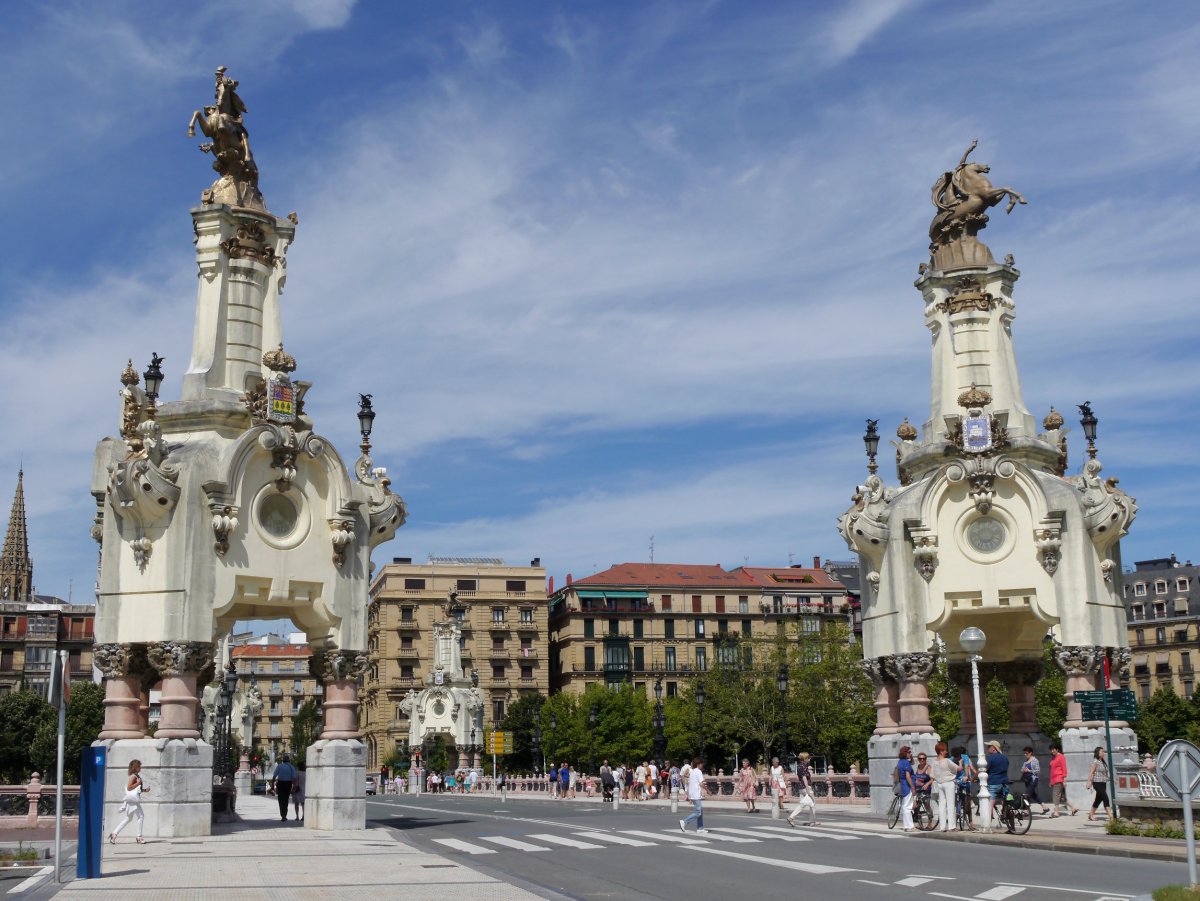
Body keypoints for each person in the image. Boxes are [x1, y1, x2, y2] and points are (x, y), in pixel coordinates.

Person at [109, 759, 149, 844]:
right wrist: (138, 783)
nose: (140, 767)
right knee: (141, 816)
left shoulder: (136, 776)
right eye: (139, 766)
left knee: (128, 819)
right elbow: (129, 788)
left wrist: (145, 790)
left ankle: (114, 834)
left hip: (133, 800)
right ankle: (139, 837)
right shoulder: (133, 776)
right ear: (135, 767)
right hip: (133, 801)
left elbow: (137, 790)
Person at [929, 742, 959, 833]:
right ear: (941, 751)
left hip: (940, 784)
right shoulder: (947, 761)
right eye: (945, 750)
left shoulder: (934, 763)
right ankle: (951, 826)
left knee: (942, 805)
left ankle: (942, 826)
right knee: (950, 805)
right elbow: (957, 769)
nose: (946, 751)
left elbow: (932, 775)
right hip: (949, 783)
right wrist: (961, 763)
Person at [786, 752, 817, 826]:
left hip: (800, 787)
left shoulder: (799, 766)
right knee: (813, 803)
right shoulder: (804, 766)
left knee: (802, 804)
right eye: (808, 758)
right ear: (805, 759)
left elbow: (798, 777)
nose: (809, 759)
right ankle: (812, 821)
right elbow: (804, 778)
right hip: (806, 787)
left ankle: (791, 817)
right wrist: (808, 789)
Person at [679, 757, 708, 834]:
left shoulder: (692, 771)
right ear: (699, 764)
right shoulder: (698, 772)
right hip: (696, 794)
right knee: (698, 812)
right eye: (702, 764)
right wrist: (708, 790)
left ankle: (700, 828)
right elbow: (701, 783)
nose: (703, 765)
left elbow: (690, 783)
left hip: (692, 793)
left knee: (700, 811)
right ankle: (684, 821)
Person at [1048, 745, 1077, 817]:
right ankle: (1073, 808)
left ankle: (1057, 812)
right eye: (1051, 750)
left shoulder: (1061, 756)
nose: (1052, 751)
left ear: (1057, 749)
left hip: (1059, 778)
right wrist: (1050, 781)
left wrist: (1064, 779)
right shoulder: (1053, 757)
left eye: (1053, 749)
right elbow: (1052, 770)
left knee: (1055, 796)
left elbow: (1064, 768)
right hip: (1054, 779)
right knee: (1061, 797)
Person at [953, 745, 976, 831]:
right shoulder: (966, 757)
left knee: (956, 801)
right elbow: (968, 767)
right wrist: (969, 777)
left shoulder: (952, 758)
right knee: (967, 802)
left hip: (956, 781)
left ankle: (955, 821)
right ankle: (970, 823)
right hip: (965, 782)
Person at [1022, 747, 1049, 815]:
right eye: (1024, 753)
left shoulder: (1035, 760)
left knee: (1027, 794)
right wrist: (1023, 770)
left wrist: (1029, 770)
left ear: (1031, 753)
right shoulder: (1026, 761)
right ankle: (1045, 807)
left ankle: (1026, 810)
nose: (1025, 754)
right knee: (1034, 795)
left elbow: (1038, 770)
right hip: (1027, 780)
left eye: (1026, 753)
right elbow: (1022, 769)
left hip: (1033, 780)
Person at [895, 746, 916, 833]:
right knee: (908, 807)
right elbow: (908, 776)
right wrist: (912, 787)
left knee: (905, 806)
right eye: (909, 752)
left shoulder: (900, 762)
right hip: (907, 786)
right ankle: (910, 826)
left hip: (903, 785)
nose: (911, 754)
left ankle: (906, 825)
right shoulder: (906, 763)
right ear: (905, 753)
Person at [1087, 747, 1111, 821]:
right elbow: (1091, 772)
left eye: (1104, 751)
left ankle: (1091, 815)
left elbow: (1106, 774)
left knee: (1098, 799)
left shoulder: (1103, 762)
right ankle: (1111, 816)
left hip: (1103, 783)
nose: (1104, 753)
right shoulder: (1095, 762)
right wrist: (1088, 782)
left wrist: (1112, 779)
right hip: (1097, 783)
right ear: (1098, 753)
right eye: (1102, 751)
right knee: (1105, 798)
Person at [984, 740, 1009, 807]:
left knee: (990, 803)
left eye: (989, 746)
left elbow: (983, 770)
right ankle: (1006, 814)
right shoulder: (1005, 758)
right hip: (1004, 782)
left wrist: (974, 777)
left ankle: (989, 817)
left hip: (993, 782)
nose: (987, 748)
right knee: (1004, 801)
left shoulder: (990, 758)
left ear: (993, 748)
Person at [273, 753, 297, 822]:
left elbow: (274, 776)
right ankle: (284, 815)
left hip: (280, 784)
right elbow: (294, 778)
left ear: (283, 760)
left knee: (280, 800)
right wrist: (294, 787)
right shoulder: (292, 767)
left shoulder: (279, 766)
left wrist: (272, 785)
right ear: (289, 760)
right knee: (286, 800)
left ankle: (283, 815)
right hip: (288, 784)